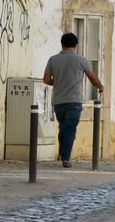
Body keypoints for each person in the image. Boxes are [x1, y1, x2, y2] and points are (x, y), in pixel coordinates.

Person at [43, 32, 104, 168]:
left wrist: (58, 82)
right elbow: (92, 78)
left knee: (64, 127)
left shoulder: (53, 60)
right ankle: (66, 158)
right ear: (75, 45)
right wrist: (100, 86)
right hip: (74, 101)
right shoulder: (81, 60)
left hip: (58, 101)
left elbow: (46, 79)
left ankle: (62, 152)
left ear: (62, 44)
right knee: (70, 129)